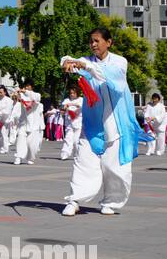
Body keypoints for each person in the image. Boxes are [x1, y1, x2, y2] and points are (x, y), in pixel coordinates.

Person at [59, 28, 146, 216]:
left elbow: (110, 77)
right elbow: (70, 61)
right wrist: (67, 62)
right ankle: (75, 200)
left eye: (97, 41)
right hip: (92, 124)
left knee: (114, 167)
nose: (93, 44)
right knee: (83, 160)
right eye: (91, 41)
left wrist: (85, 66)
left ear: (109, 42)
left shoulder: (119, 62)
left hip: (116, 123)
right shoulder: (86, 60)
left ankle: (111, 202)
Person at [14, 81, 43, 165]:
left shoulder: (37, 95)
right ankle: (18, 157)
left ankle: (30, 158)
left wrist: (24, 92)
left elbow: (35, 99)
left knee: (31, 144)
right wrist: (17, 95)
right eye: (25, 86)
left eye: (28, 86)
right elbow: (17, 99)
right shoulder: (21, 96)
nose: (26, 88)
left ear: (32, 87)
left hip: (34, 124)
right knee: (20, 139)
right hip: (23, 122)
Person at [59, 85, 83, 160]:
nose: (72, 95)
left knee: (76, 140)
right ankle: (65, 153)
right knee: (68, 139)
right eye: (71, 93)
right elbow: (62, 108)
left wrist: (70, 104)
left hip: (78, 122)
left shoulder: (81, 99)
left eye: (74, 93)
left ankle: (76, 154)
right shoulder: (66, 100)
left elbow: (80, 106)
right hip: (69, 123)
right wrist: (63, 108)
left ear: (77, 93)